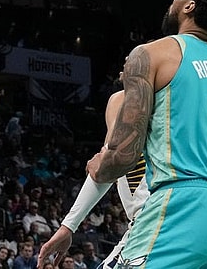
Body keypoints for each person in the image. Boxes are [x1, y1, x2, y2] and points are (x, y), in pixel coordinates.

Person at [87, 0, 207, 268]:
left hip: (184, 206)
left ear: (189, 7)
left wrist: (100, 166)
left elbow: (124, 155)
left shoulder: (154, 53)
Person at [37, 88, 150, 269]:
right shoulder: (193, 99)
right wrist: (68, 226)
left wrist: (69, 225)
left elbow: (104, 169)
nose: (127, 64)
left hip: (155, 221)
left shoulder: (124, 99)